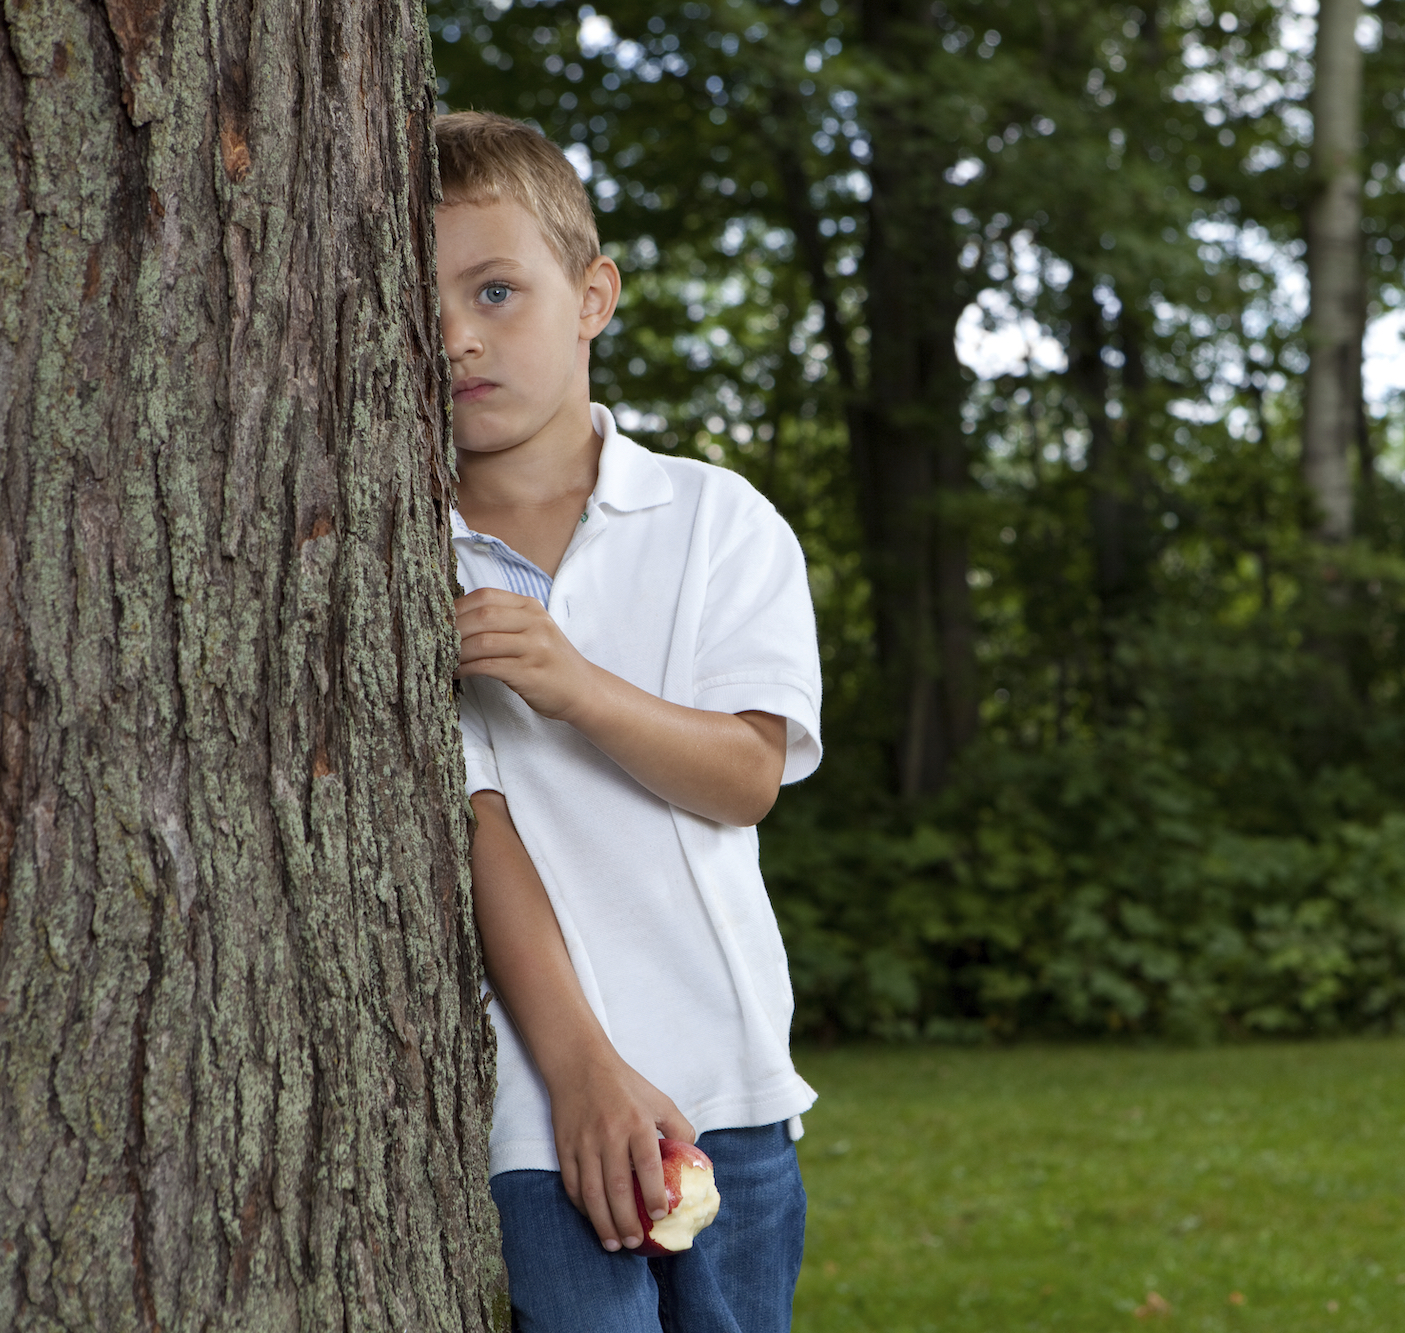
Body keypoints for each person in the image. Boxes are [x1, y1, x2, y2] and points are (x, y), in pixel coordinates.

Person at [436, 110, 820, 1333]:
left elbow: (746, 774)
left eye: (497, 290)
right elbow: (478, 825)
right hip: (539, 1109)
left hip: (729, 1085)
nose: (455, 335)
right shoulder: (403, 562)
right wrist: (582, 1071)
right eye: (421, 301)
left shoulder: (715, 519)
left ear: (593, 294)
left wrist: (571, 678)